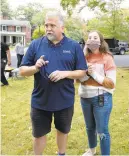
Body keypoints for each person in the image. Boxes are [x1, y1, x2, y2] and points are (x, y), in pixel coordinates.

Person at [19, 11, 87, 155]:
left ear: (62, 28)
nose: (48, 28)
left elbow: (82, 71)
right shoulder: (36, 45)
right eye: (46, 25)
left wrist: (65, 73)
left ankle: (61, 154)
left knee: (63, 130)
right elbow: (23, 71)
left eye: (52, 25)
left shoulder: (74, 46)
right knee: (38, 135)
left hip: (65, 100)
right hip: (40, 101)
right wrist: (35, 67)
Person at [78, 31, 116, 155]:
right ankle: (92, 150)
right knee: (89, 127)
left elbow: (111, 83)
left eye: (95, 38)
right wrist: (86, 72)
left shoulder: (107, 58)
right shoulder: (83, 58)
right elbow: (78, 80)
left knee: (102, 130)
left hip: (101, 98)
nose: (92, 40)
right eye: (89, 38)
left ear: (100, 41)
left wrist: (93, 73)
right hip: (84, 97)